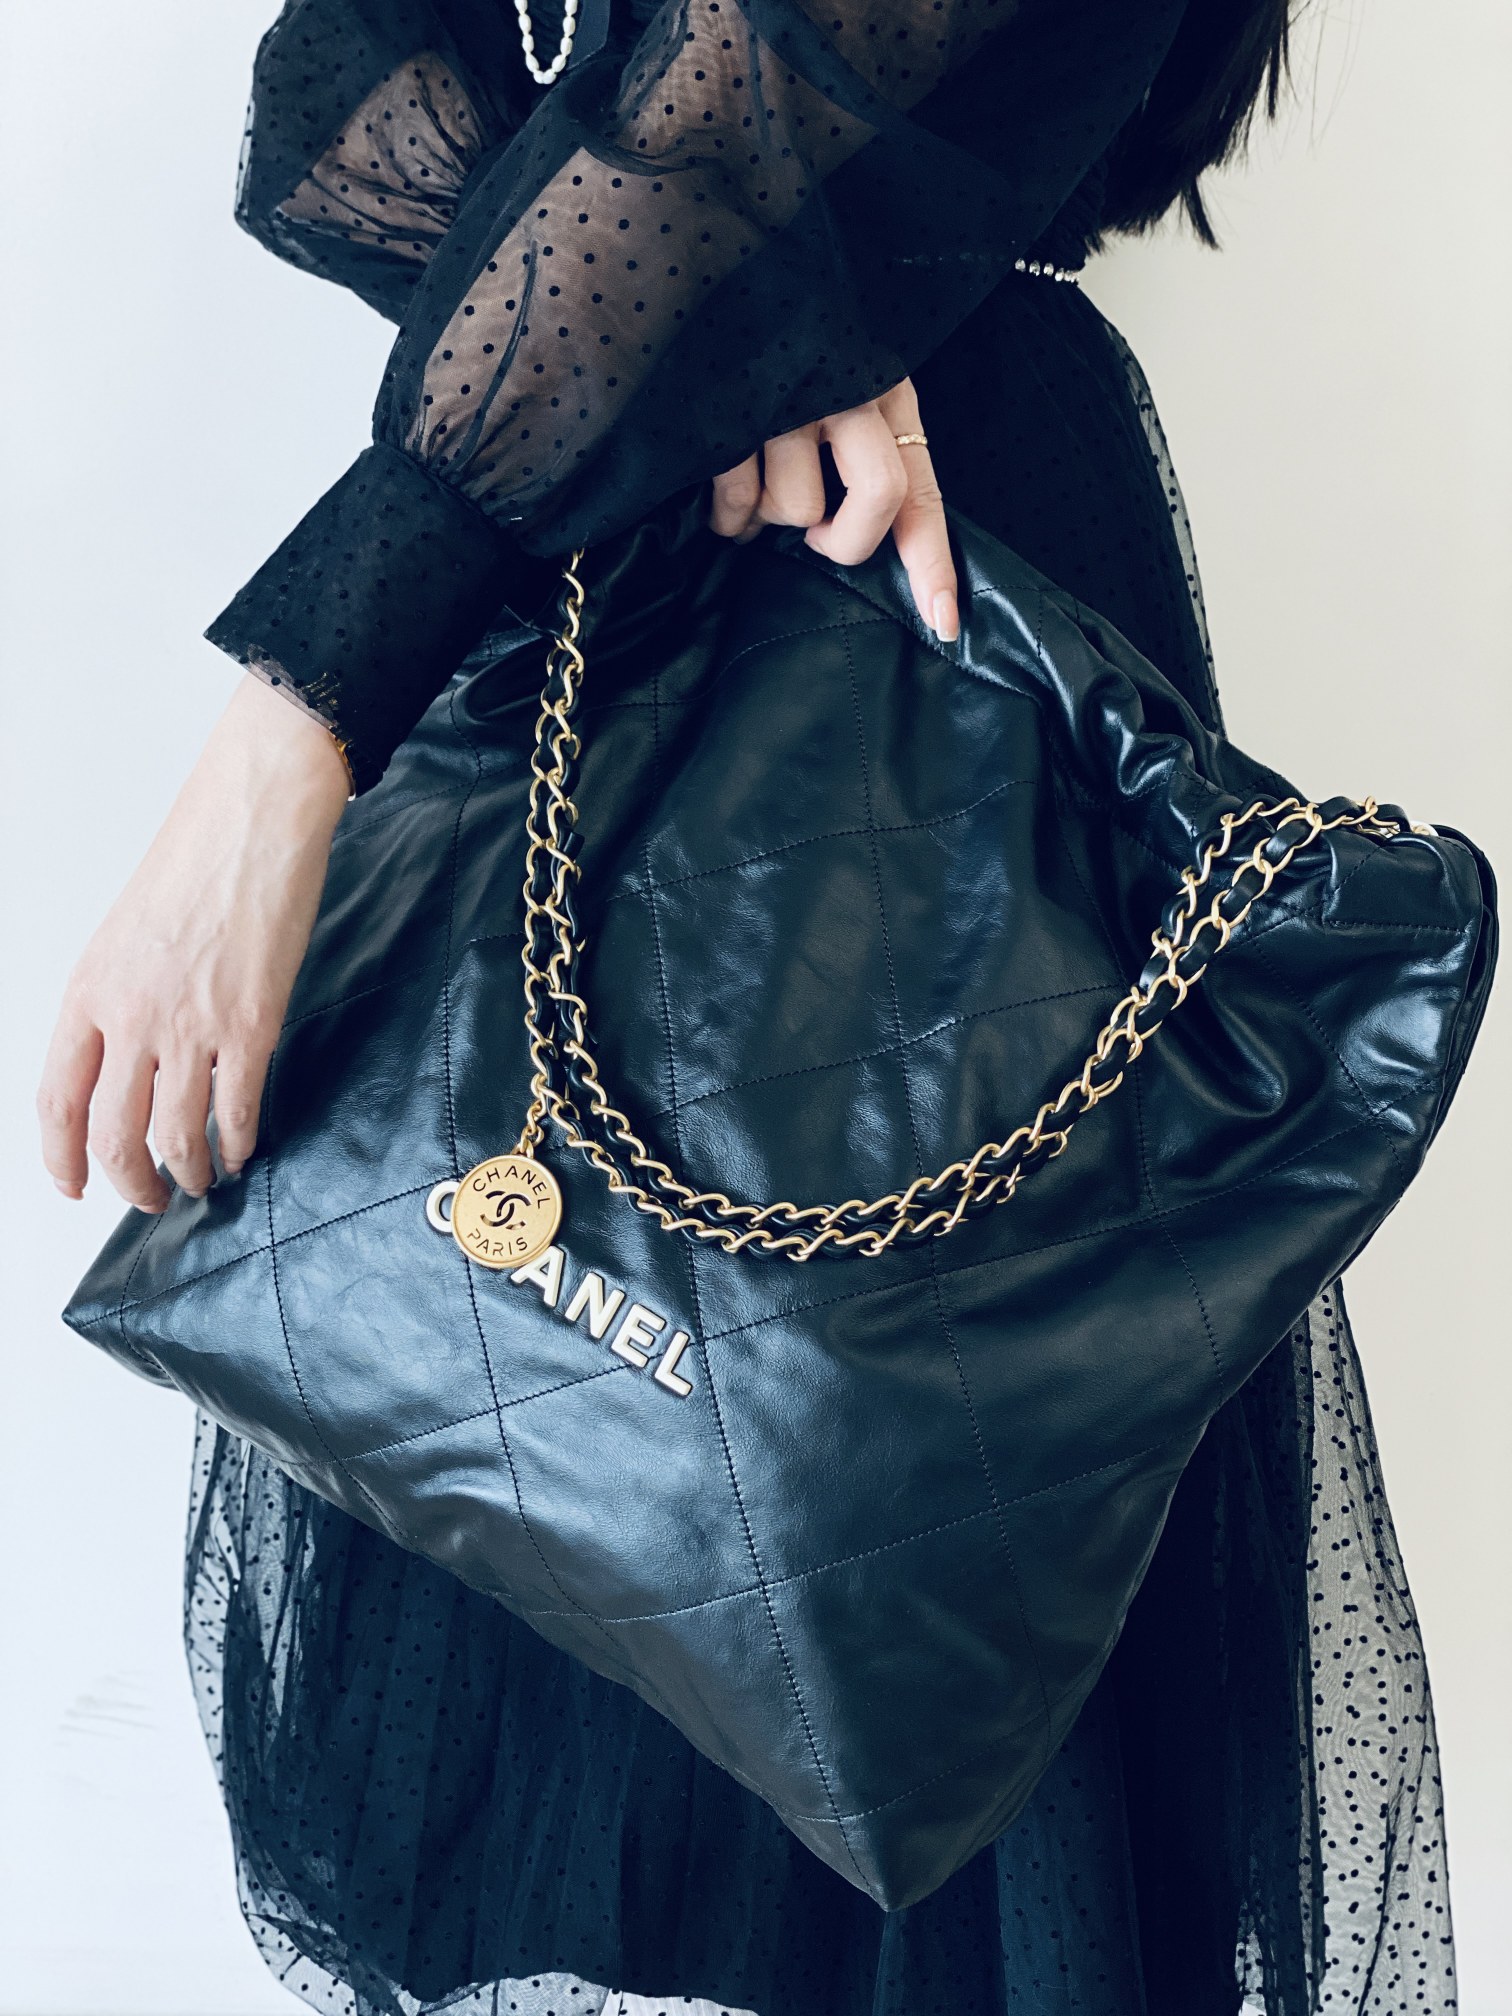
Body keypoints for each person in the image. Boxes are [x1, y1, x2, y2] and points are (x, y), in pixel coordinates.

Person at [37, 0, 1459, 2009]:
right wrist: (743, 308)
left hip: (930, 577)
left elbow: (785, 66)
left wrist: (289, 728)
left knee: (874, 1580)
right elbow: (328, 100)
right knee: (492, 1435)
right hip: (597, 523)